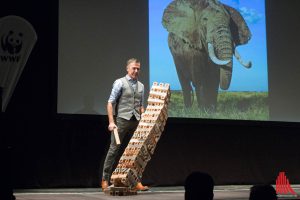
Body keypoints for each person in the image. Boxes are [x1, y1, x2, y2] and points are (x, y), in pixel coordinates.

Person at [101, 58, 149, 191]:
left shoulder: (142, 86)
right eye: (134, 68)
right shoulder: (119, 82)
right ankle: (105, 179)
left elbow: (140, 106)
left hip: (136, 121)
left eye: (138, 68)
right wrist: (111, 122)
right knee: (114, 150)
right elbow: (110, 102)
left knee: (137, 152)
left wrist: (144, 119)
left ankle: (136, 181)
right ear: (128, 68)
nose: (136, 71)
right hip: (122, 120)